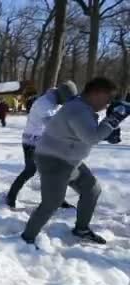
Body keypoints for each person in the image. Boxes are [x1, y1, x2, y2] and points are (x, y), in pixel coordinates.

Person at [21, 77, 129, 246]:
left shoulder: (82, 108)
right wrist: (112, 120)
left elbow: (84, 133)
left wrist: (108, 132)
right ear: (97, 93)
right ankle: (26, 239)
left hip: (70, 159)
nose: (108, 104)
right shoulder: (78, 110)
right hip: (53, 160)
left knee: (91, 190)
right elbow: (91, 137)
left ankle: (81, 229)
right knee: (52, 203)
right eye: (107, 99)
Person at [6, 81, 78, 209]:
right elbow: (53, 126)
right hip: (32, 142)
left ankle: (57, 199)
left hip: (46, 141)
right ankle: (11, 196)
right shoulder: (44, 104)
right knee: (30, 170)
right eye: (66, 100)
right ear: (62, 96)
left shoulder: (57, 99)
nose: (66, 103)